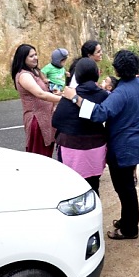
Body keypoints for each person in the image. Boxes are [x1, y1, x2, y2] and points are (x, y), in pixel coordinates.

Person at [63, 50, 139, 240]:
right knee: (127, 186)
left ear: (118, 70)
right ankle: (126, 220)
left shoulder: (120, 93)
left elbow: (99, 114)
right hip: (138, 143)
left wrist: (75, 97)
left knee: (125, 188)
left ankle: (130, 229)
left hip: (121, 147)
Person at [51, 58, 110, 194]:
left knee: (75, 187)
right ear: (97, 73)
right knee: (94, 184)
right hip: (96, 146)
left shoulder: (70, 94)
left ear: (77, 76)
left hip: (71, 147)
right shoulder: (103, 95)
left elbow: (56, 121)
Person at [11, 44, 61, 156]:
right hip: (37, 122)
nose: (36, 58)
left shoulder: (33, 72)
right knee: (39, 157)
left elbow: (44, 92)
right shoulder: (24, 75)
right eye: (31, 56)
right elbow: (40, 94)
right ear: (23, 58)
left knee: (46, 155)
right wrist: (63, 99)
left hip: (45, 120)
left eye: (36, 54)